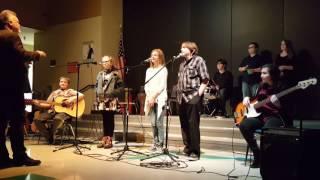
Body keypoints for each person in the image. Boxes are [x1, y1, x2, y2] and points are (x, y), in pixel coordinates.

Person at [0, 9, 46, 168]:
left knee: (1, 123)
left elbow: (8, 60)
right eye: (17, 20)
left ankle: (2, 159)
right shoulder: (11, 36)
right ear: (9, 23)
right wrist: (37, 54)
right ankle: (20, 156)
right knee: (17, 122)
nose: (19, 23)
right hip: (12, 88)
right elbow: (21, 53)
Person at [239, 64, 290, 168]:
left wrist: (278, 104)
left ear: (272, 74)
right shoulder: (261, 85)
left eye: (264, 73)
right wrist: (247, 98)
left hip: (276, 116)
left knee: (267, 131)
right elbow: (256, 99)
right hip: (261, 115)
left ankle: (268, 158)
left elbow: (288, 107)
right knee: (244, 125)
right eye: (261, 73)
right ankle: (257, 154)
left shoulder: (282, 86)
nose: (261, 75)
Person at [176, 41, 210, 160]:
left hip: (193, 96)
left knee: (193, 124)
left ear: (192, 50)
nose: (181, 49)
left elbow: (205, 79)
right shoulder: (182, 64)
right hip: (181, 98)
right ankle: (188, 148)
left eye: (184, 48)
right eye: (181, 47)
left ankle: (195, 151)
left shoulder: (199, 60)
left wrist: (198, 94)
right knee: (184, 124)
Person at [33, 77, 84, 144]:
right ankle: (49, 136)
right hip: (53, 111)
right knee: (37, 119)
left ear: (68, 84)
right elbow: (48, 104)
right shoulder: (54, 93)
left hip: (65, 112)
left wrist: (70, 100)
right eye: (61, 82)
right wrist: (38, 104)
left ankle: (51, 136)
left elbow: (81, 95)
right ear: (59, 83)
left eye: (65, 82)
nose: (63, 83)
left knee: (58, 118)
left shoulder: (70, 91)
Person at [96, 56, 124, 149]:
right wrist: (98, 93)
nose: (104, 63)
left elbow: (121, 88)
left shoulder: (116, 74)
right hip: (102, 100)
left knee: (110, 119)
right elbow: (96, 86)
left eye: (106, 61)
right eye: (103, 62)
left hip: (111, 100)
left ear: (111, 62)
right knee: (104, 119)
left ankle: (109, 139)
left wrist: (112, 94)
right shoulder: (100, 74)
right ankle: (104, 138)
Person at [144, 49, 168, 151]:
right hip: (150, 99)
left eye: (155, 55)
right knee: (153, 123)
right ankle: (155, 141)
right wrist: (150, 97)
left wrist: (154, 97)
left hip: (160, 98)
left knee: (159, 122)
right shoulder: (148, 70)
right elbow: (146, 85)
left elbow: (162, 86)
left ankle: (161, 143)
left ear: (160, 57)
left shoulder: (163, 69)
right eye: (151, 55)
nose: (152, 57)